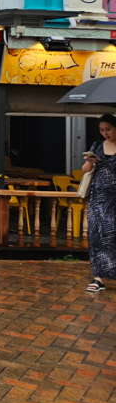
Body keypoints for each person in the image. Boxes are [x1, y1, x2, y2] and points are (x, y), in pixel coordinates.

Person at [83, 114, 116, 293]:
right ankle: (98, 278)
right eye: (102, 130)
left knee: (113, 235)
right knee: (97, 235)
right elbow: (85, 170)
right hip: (99, 197)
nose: (105, 133)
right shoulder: (97, 145)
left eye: (108, 129)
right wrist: (90, 162)